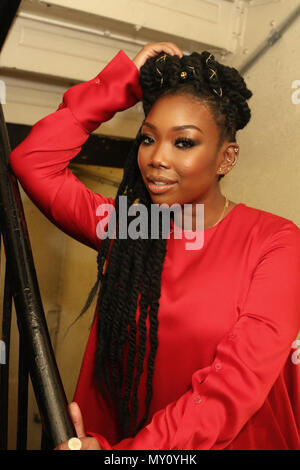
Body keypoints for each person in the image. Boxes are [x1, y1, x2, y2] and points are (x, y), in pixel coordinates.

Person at [9, 42, 300, 450]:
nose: (156, 158)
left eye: (183, 142)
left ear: (226, 158)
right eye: (148, 139)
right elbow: (32, 160)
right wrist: (122, 85)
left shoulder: (277, 241)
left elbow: (234, 384)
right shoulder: (130, 228)